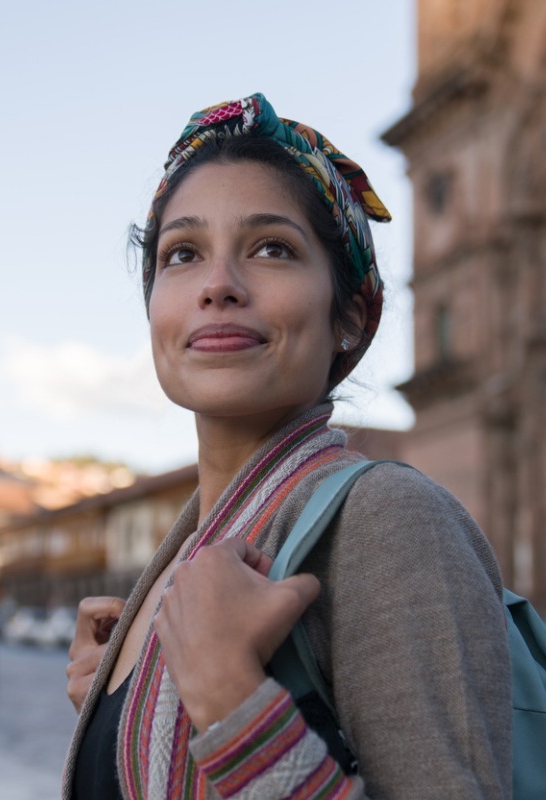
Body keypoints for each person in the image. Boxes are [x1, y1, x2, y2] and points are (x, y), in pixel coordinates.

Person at [62, 94, 512, 800]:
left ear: (350, 318)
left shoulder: (388, 524)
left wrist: (232, 702)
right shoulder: (176, 567)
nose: (218, 286)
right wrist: (126, 708)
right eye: (182, 254)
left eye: (272, 248)